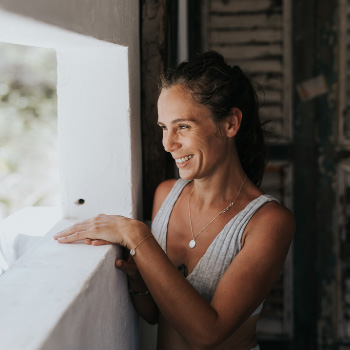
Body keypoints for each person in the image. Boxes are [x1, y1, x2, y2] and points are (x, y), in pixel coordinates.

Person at [54, 51, 295, 350]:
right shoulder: (166, 194)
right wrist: (139, 281)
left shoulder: (269, 222)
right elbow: (157, 315)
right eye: (164, 128)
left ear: (230, 124)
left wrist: (138, 236)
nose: (168, 144)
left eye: (183, 126)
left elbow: (207, 334)